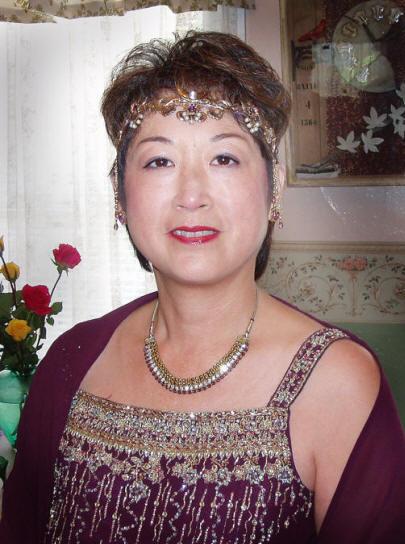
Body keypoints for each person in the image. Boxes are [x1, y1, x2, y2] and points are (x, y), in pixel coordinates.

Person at [1, 31, 405, 543]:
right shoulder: (71, 361)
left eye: (224, 158)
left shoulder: (338, 383)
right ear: (119, 193)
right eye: (159, 161)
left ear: (274, 186)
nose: (191, 195)